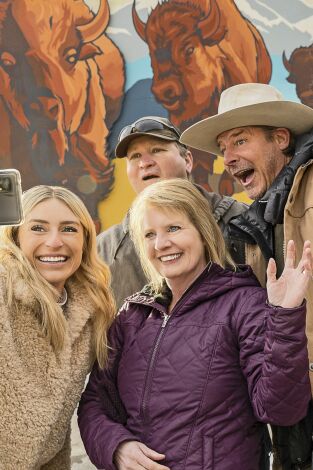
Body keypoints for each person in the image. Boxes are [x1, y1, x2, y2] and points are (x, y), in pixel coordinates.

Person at [78, 178, 312, 470]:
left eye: (173, 228)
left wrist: (285, 317)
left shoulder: (242, 303)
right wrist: (117, 447)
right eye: (149, 234)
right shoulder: (132, 316)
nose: (161, 244)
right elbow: (95, 405)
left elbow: (281, 410)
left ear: (203, 232)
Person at [180, 82, 313, 469]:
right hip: (293, 402)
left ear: (281, 138)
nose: (228, 159)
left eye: (239, 141)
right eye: (223, 149)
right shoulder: (257, 219)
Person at [0, 185, 115, 469]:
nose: (54, 241)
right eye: (38, 228)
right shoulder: (4, 287)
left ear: (86, 239)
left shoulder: (90, 309)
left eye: (69, 229)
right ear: (15, 236)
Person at [97, 116, 248, 310]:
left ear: (187, 160)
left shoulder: (240, 219)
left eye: (156, 150)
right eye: (135, 156)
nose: (144, 163)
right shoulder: (104, 250)